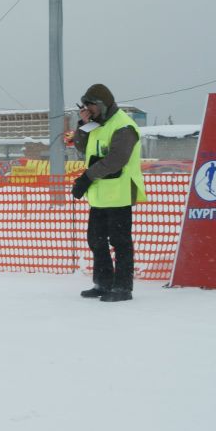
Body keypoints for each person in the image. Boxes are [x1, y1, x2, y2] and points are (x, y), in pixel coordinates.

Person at [71, 84, 146, 302]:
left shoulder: (124, 126)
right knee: (96, 240)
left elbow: (116, 160)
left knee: (120, 241)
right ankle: (103, 283)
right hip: (100, 194)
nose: (88, 110)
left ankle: (123, 288)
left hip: (119, 192)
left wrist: (86, 178)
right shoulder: (95, 124)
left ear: (103, 104)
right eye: (85, 106)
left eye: (90, 106)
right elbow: (82, 147)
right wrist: (83, 125)